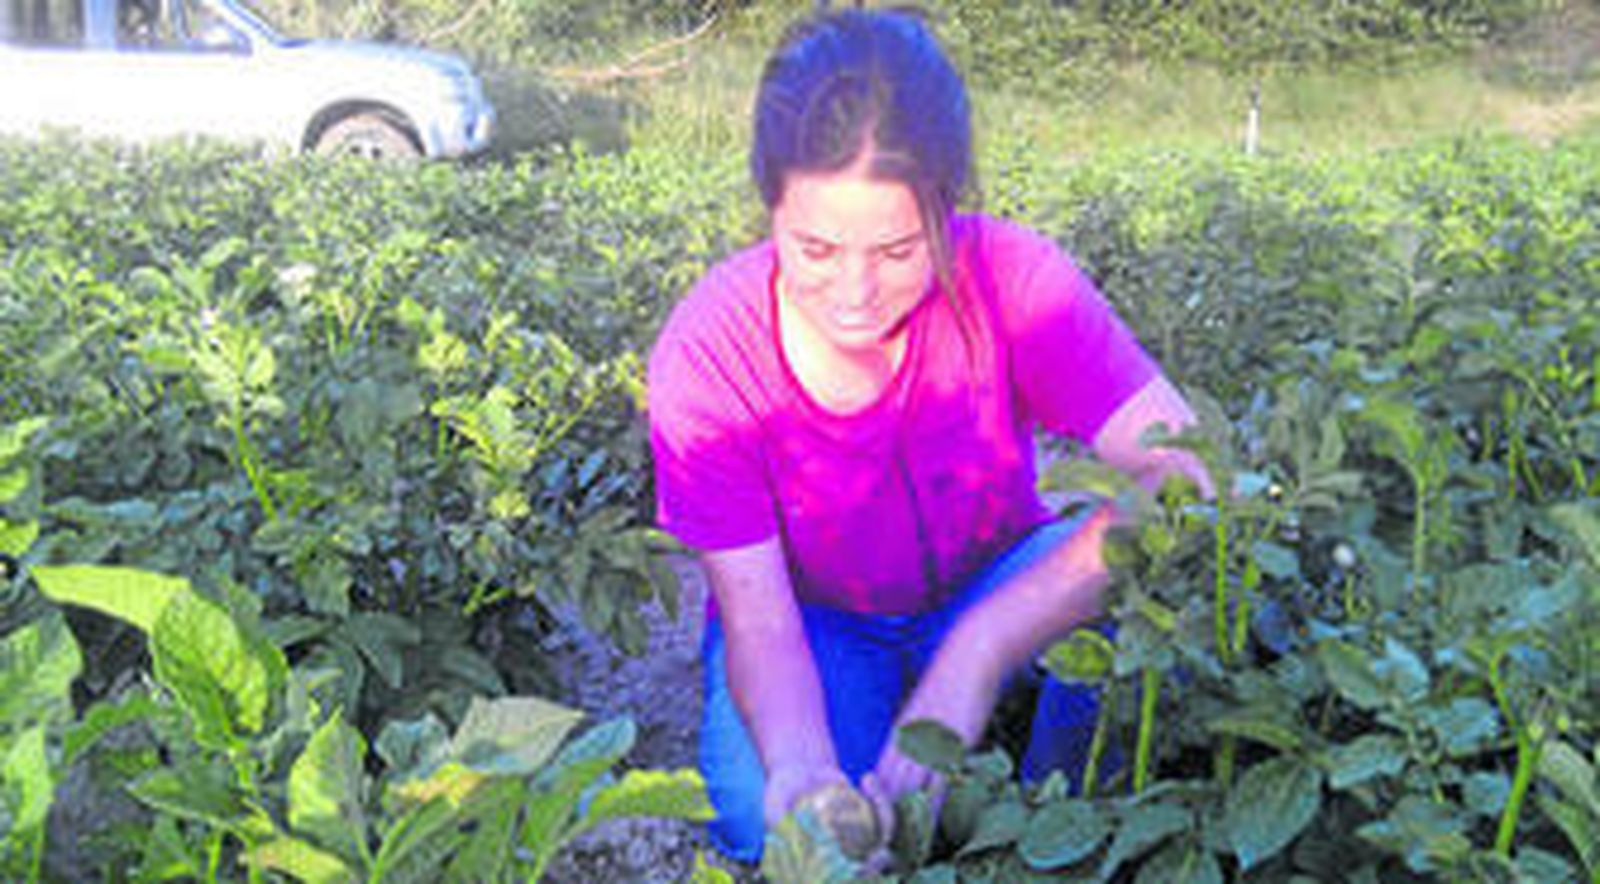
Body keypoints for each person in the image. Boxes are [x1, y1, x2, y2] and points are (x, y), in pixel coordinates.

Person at [646, 8, 1212, 863]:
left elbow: (1186, 474)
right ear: (770, 206)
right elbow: (758, 620)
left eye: (901, 249)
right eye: (816, 248)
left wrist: (976, 656)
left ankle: (1047, 834)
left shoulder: (1016, 281)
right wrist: (802, 767)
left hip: (997, 585)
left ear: (948, 207)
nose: (855, 292)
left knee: (1151, 627)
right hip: (816, 627)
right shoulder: (710, 352)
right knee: (763, 816)